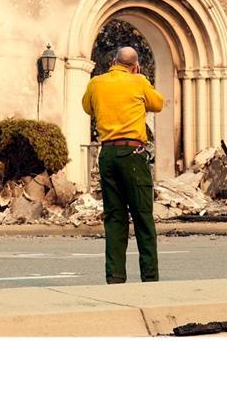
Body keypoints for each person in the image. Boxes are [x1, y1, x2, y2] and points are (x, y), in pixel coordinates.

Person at [82, 46, 164, 283]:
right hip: (133, 154)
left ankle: (115, 276)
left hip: (107, 154)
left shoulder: (97, 83)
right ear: (134, 65)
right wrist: (140, 78)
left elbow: (88, 107)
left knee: (115, 217)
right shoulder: (138, 81)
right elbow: (158, 103)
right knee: (142, 216)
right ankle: (149, 275)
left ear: (114, 62)